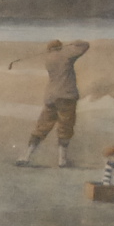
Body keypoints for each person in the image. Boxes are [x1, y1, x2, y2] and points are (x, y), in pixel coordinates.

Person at [16, 39, 89, 168]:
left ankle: (26, 156)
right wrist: (73, 43)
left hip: (51, 97)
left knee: (42, 127)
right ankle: (62, 160)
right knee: (65, 127)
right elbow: (84, 46)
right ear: (60, 47)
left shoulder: (48, 59)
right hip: (66, 95)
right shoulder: (65, 55)